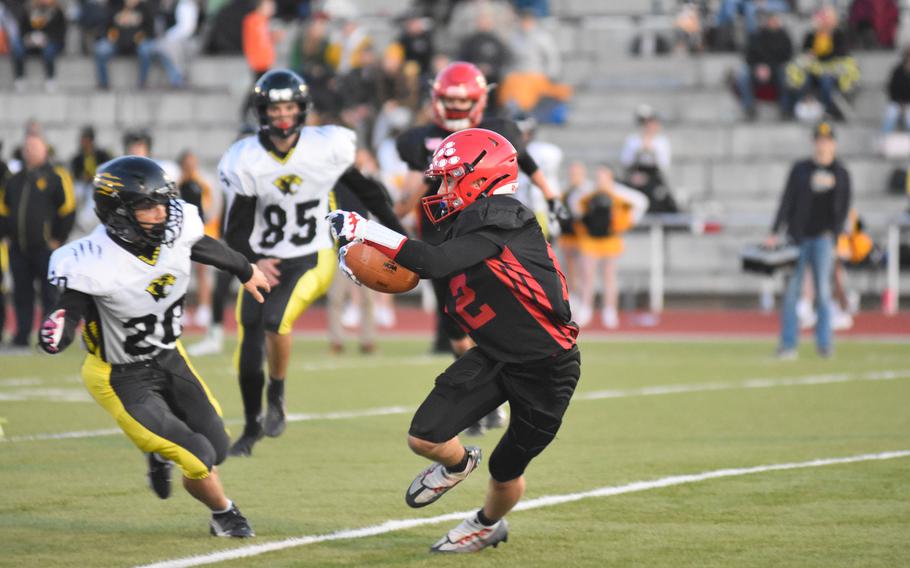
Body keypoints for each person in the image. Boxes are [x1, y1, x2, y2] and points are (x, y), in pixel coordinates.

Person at [327, 127, 581, 553]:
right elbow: (430, 265)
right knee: (424, 436)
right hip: (496, 355)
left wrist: (365, 230)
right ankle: (460, 465)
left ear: (480, 178)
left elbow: (433, 261)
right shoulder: (470, 221)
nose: (441, 187)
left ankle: (485, 525)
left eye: (449, 177)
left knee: (505, 468)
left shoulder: (505, 217)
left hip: (547, 366)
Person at [38, 156, 269, 537]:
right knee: (199, 457)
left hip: (168, 356)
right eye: (148, 206)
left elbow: (200, 245)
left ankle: (158, 450)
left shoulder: (174, 230)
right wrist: (57, 330)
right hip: (120, 375)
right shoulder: (92, 260)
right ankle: (224, 513)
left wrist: (244, 269)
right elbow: (71, 308)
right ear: (117, 212)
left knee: (219, 446)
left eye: (163, 203)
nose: (161, 213)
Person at [220, 69, 404, 456]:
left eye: (289, 106)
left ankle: (279, 395)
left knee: (275, 320)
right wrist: (250, 262)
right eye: (276, 108)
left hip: (313, 253)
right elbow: (234, 229)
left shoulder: (326, 146)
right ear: (262, 112)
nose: (283, 115)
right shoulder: (247, 158)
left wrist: (398, 234)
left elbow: (367, 190)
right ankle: (252, 426)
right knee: (248, 345)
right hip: (267, 258)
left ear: (302, 109)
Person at [395, 61, 562, 435]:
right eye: (448, 101)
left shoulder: (497, 131)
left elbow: (525, 162)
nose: (454, 109)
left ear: (479, 99)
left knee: (494, 319)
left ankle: (498, 392)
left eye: (462, 101)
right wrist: (394, 215)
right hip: (441, 236)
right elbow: (409, 195)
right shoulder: (419, 138)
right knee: (457, 325)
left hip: (485, 233)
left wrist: (551, 194)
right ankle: (480, 395)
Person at [766, 121, 852, 359]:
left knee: (823, 292)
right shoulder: (801, 169)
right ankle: (788, 344)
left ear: (833, 143)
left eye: (827, 140)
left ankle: (824, 344)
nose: (823, 144)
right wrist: (775, 230)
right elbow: (787, 200)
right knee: (792, 291)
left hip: (823, 239)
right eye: (819, 140)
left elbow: (844, 208)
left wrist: (837, 237)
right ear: (814, 142)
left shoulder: (840, 173)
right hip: (797, 237)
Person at [0, 134, 74, 350]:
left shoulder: (55, 176)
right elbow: (4, 210)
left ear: (44, 150)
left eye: (34, 147)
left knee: (50, 295)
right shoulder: (15, 179)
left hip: (46, 249)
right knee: (22, 294)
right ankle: (21, 336)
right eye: (27, 147)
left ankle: (49, 338)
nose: (30, 151)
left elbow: (68, 210)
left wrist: (58, 239)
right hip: (18, 248)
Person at [572, 165, 648, 328]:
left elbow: (641, 202)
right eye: (598, 178)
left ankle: (610, 310)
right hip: (590, 238)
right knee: (587, 275)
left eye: (604, 178)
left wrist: (627, 222)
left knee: (609, 276)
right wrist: (583, 218)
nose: (601, 182)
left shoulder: (619, 193)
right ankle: (586, 308)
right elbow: (575, 204)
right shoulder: (588, 192)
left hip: (610, 238)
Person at [735, 10, 793, 121]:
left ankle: (785, 108)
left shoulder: (784, 36)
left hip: (777, 68)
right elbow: (749, 56)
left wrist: (768, 67)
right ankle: (749, 107)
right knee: (743, 75)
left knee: (785, 74)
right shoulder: (755, 36)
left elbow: (787, 55)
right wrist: (759, 67)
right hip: (757, 68)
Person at [620, 104, 677, 213]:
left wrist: (652, 150)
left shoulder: (661, 142)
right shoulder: (633, 140)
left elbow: (664, 164)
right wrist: (639, 150)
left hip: (654, 178)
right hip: (635, 176)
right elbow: (625, 161)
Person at [93, 0, 157, 90]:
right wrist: (112, 35)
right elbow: (105, 27)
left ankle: (143, 82)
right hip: (117, 43)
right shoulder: (115, 6)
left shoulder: (145, 8)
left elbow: (150, 32)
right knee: (101, 49)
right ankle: (104, 83)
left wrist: (139, 35)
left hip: (137, 44)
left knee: (146, 50)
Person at [10, 0, 67, 92]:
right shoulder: (29, 10)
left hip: (51, 42)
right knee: (17, 46)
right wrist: (28, 38)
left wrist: (47, 39)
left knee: (49, 50)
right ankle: (19, 78)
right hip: (31, 42)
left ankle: (50, 78)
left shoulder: (57, 11)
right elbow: (22, 29)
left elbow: (61, 33)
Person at [882, 47, 910, 133]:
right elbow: (891, 88)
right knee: (891, 113)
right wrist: (900, 103)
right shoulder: (897, 70)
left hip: (908, 104)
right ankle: (885, 138)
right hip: (897, 102)